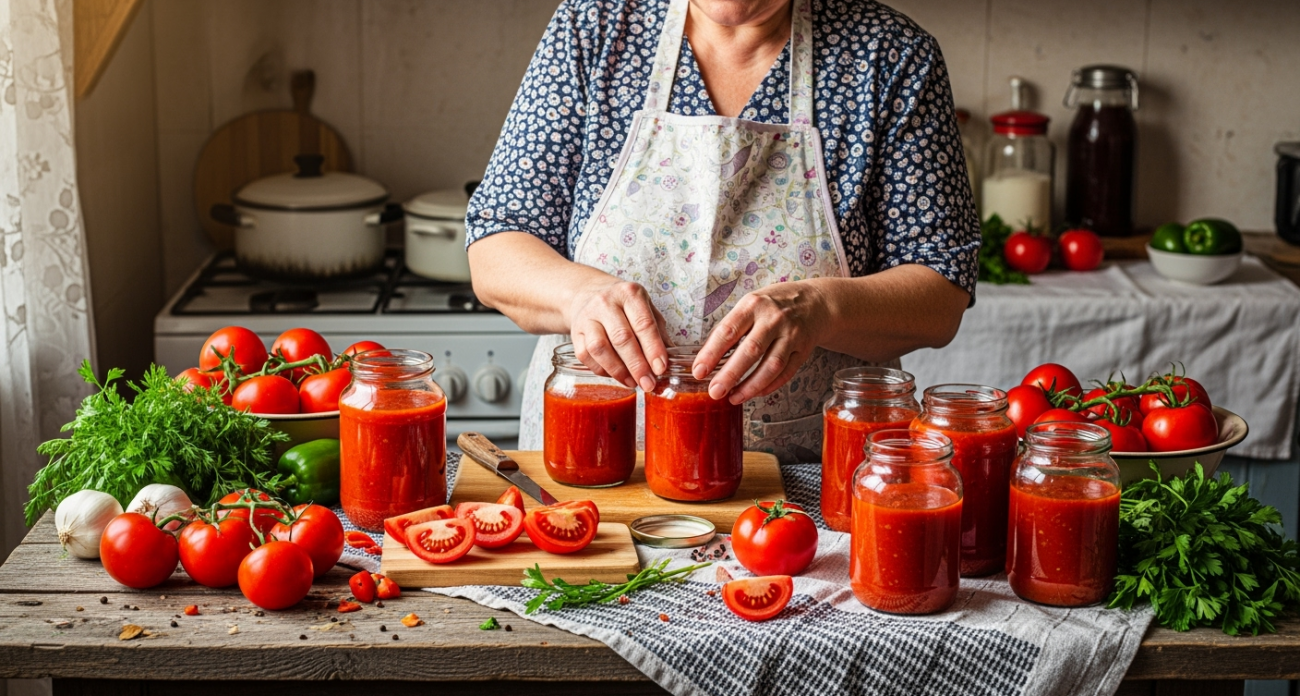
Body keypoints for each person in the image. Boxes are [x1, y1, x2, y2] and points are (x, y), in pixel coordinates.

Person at [466, 0, 978, 462]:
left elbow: (941, 291)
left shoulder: (891, 56)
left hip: (806, 485)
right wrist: (578, 296)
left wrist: (823, 308)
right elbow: (496, 241)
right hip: (595, 461)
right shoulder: (594, 29)